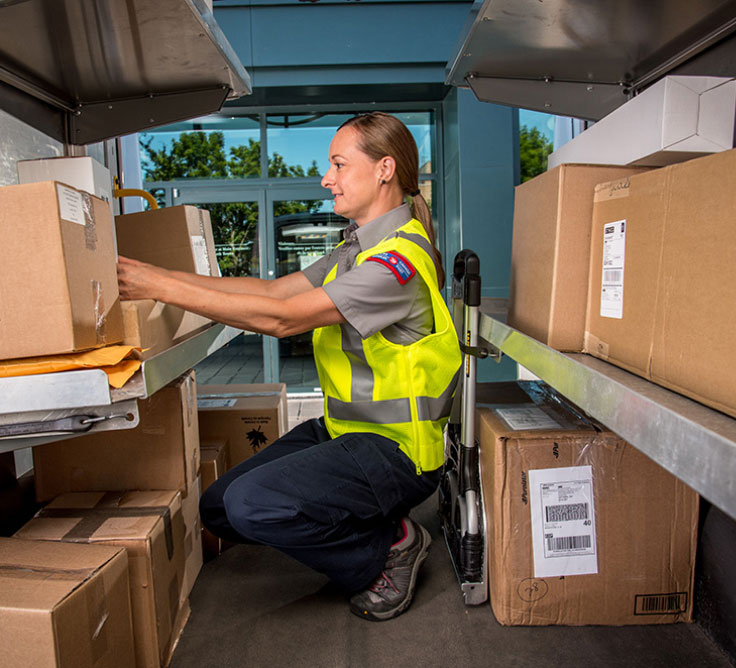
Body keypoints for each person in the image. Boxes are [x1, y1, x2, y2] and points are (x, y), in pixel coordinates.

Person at [117, 111, 462, 621]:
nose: (327, 178)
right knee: (218, 507)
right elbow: (272, 290)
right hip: (347, 432)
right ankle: (372, 519)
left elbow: (280, 318)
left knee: (251, 505)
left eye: (339, 164)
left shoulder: (397, 263)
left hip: (399, 453)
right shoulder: (354, 250)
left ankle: (391, 545)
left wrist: (159, 288)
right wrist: (160, 276)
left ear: (385, 168)